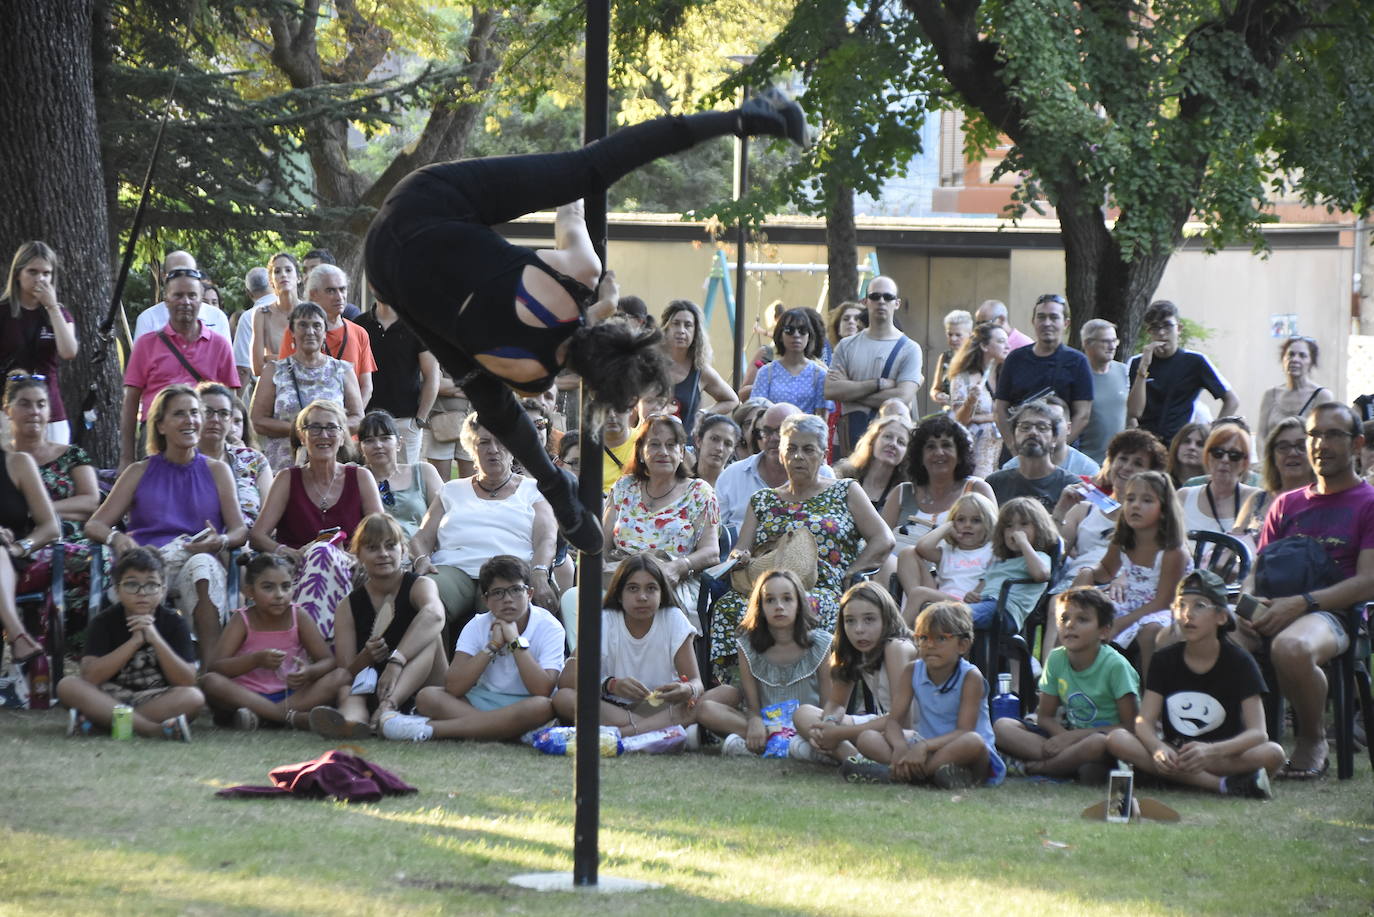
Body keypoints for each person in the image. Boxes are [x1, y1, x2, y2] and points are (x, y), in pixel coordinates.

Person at [364, 96, 807, 558]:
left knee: (590, 169)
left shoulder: (579, 275)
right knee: (480, 382)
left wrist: (590, 164)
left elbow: (574, 205)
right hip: (390, 272)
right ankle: (559, 493)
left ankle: (745, 118)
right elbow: (501, 415)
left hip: (422, 200)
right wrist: (558, 490)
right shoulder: (532, 375)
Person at [710, 413, 894, 677]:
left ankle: (810, 687)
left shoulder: (845, 491)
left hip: (823, 586)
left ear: (823, 454)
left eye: (808, 449)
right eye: (791, 449)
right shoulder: (762, 500)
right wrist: (740, 556)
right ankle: (739, 687)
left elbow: (883, 539)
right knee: (729, 606)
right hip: (767, 587)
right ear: (781, 454)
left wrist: (852, 572)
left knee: (810, 605)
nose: (798, 456)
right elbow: (742, 548)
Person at [1250, 402, 1374, 779]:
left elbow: (1368, 581)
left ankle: (1312, 740)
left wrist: (1301, 604)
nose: (1321, 444)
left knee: (1291, 647)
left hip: (1337, 614)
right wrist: (1247, 604)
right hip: (1275, 605)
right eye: (1314, 435)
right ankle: (1226, 744)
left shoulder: (1368, 503)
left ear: (1357, 444)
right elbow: (1258, 569)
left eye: (1333, 435)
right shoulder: (1286, 503)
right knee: (1200, 633)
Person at [88, 385, 248, 655]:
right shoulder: (139, 471)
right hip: (149, 563)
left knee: (202, 565)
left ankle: (211, 669)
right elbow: (95, 524)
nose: (191, 420)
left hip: (197, 560)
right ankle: (139, 656)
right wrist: (117, 537)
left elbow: (239, 530)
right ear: (160, 425)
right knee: (155, 566)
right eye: (180, 414)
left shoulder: (218, 471)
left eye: (196, 413)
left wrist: (220, 541)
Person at [1105, 570, 1284, 798]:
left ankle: (1168, 777)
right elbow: (1144, 722)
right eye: (1181, 605)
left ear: (1221, 616)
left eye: (1200, 606)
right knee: (1117, 740)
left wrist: (1211, 751)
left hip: (1221, 755)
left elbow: (1258, 734)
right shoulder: (1164, 659)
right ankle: (1222, 785)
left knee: (1273, 753)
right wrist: (1157, 748)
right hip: (1176, 751)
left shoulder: (1241, 663)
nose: (1188, 614)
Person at [376, 555, 564, 742]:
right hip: (483, 701)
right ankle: (513, 731)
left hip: (526, 703)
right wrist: (492, 646)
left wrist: (514, 641)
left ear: (529, 594)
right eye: (498, 593)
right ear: (486, 600)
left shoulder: (549, 626)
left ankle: (430, 729)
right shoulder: (477, 625)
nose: (507, 599)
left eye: (516, 590)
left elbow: (543, 690)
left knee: (543, 706)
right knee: (427, 697)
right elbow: (454, 687)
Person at [249, 400, 385, 641]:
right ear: (302, 436)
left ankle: (312, 647)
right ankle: (328, 647)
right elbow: (258, 535)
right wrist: (286, 551)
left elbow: (382, 531)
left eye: (332, 428)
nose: (324, 435)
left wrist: (358, 557)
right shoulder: (287, 478)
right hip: (296, 570)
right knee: (321, 552)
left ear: (343, 436)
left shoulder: (360, 477)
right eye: (315, 428)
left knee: (323, 552)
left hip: (351, 568)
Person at [411, 414, 558, 630]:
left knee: (502, 607)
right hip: (453, 569)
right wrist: (421, 560)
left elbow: (547, 539)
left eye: (501, 442)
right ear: (472, 448)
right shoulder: (451, 490)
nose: (493, 449)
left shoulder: (533, 490)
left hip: (509, 571)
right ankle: (436, 665)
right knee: (428, 595)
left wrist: (539, 572)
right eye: (484, 442)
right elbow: (421, 537)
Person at [309, 514, 447, 739]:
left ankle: (388, 709)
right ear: (359, 555)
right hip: (372, 687)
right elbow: (345, 671)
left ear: (403, 550)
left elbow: (434, 615)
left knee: (431, 637)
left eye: (390, 546)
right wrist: (366, 656)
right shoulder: (348, 605)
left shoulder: (420, 585)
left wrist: (396, 661)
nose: (383, 554)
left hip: (421, 686)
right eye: (372, 548)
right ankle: (352, 723)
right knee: (347, 689)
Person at [846, 601, 1006, 788]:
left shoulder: (971, 677)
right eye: (923, 638)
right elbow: (893, 721)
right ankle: (934, 775)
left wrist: (924, 746)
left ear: (962, 645)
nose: (930, 645)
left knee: (973, 741)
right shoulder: (912, 671)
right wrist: (900, 746)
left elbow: (964, 731)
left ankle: (896, 774)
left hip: (966, 753)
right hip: (926, 749)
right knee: (868, 738)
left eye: (941, 638)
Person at [993, 588, 1140, 781]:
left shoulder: (1116, 666)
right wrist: (1063, 738)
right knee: (1002, 726)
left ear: (1104, 631)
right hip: (1068, 736)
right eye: (1064, 618)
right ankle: (1066, 765)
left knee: (1096, 746)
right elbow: (1045, 716)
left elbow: (1130, 727)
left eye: (1082, 619)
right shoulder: (1056, 659)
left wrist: (1071, 738)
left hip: (1105, 742)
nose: (1070, 625)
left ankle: (1041, 768)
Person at [55, 547, 201, 741]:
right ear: (117, 590)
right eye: (132, 585)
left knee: (193, 697)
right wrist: (134, 642)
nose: (142, 593)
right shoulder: (103, 621)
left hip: (155, 698)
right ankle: (150, 729)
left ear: (163, 590)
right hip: (109, 697)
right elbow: (90, 676)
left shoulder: (174, 623)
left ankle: (101, 723)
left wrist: (155, 639)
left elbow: (186, 680)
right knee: (68, 686)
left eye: (151, 585)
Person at [551, 553, 704, 737]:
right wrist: (611, 685)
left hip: (660, 707)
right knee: (563, 699)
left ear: (662, 593)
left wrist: (686, 689)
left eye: (651, 589)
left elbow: (697, 684)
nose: (642, 597)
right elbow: (566, 681)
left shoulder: (674, 619)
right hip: (613, 708)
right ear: (619, 594)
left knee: (724, 694)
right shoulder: (603, 620)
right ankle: (662, 729)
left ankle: (622, 733)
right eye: (632, 588)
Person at [200, 553, 346, 730]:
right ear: (249, 592)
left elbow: (328, 660)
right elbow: (216, 667)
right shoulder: (242, 619)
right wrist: (255, 660)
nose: (279, 595)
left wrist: (309, 672)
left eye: (286, 587)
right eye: (268, 588)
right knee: (210, 681)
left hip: (292, 696)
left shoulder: (298, 616)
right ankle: (291, 718)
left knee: (341, 676)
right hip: (248, 695)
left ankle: (263, 718)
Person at [696, 570, 833, 756]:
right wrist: (755, 721)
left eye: (787, 599)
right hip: (767, 725)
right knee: (706, 709)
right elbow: (753, 708)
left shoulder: (821, 644)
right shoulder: (748, 646)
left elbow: (828, 705)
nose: (779, 606)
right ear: (760, 606)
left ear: (799, 604)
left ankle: (757, 746)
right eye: (770, 600)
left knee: (825, 726)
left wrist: (823, 729)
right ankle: (774, 742)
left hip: (808, 726)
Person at [5, 374, 101, 633]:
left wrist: (37, 510)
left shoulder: (71, 454)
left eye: (41, 404)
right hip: (21, 543)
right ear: (8, 410)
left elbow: (91, 502)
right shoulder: (6, 463)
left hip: (71, 540)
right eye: (25, 404)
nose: (34, 411)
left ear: (50, 410)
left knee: (99, 561)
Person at [603, 413, 720, 626]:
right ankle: (591, 659)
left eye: (671, 445)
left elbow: (712, 553)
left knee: (648, 602)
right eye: (654, 444)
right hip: (619, 574)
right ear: (640, 452)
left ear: (682, 452)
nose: (663, 452)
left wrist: (680, 567)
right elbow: (601, 545)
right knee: (575, 598)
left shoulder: (699, 492)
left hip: (672, 578)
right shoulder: (624, 487)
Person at [1072, 471, 1191, 678]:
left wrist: (1121, 622)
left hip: (1168, 609)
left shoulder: (1173, 551)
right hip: (1131, 602)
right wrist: (1087, 573)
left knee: (1149, 631)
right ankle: (1072, 680)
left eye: (1146, 500)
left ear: (1163, 510)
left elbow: (1164, 602)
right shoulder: (1124, 540)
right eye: (1130, 499)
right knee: (1086, 618)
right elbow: (1107, 571)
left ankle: (1149, 694)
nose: (1135, 505)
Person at [119, 268, 240, 470]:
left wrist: (231, 442)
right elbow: (131, 403)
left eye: (192, 295)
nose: (186, 302)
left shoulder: (219, 345)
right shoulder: (146, 345)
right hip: (156, 437)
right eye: (178, 295)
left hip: (205, 436)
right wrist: (126, 458)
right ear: (166, 300)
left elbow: (231, 400)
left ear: (201, 300)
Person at [793, 582, 919, 766]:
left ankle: (854, 759)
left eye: (869, 619)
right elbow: (836, 703)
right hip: (885, 726)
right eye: (850, 620)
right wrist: (828, 724)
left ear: (886, 619)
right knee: (804, 714)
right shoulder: (854, 651)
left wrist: (839, 734)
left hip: (916, 731)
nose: (858, 629)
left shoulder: (896, 648)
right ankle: (855, 759)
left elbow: (902, 720)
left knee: (867, 739)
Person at [250, 302, 363, 471]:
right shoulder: (274, 370)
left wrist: (325, 434)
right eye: (303, 325)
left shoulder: (342, 370)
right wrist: (305, 431)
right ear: (292, 332)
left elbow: (358, 418)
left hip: (333, 464)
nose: (310, 331)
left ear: (325, 333)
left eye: (317, 326)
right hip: (285, 465)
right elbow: (257, 421)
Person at [1058, 429, 1169, 587]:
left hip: (1123, 590)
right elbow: (1055, 557)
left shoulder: (1153, 518)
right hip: (1074, 584)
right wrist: (1061, 510)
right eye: (1122, 459)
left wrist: (1126, 578)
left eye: (1137, 463)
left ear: (1150, 474)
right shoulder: (1084, 509)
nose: (1127, 467)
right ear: (1111, 462)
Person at [825, 276, 922, 456]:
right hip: (851, 441)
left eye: (888, 297)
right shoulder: (846, 346)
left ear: (897, 303)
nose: (881, 302)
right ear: (865, 301)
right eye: (875, 296)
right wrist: (877, 384)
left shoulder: (910, 348)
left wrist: (852, 394)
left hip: (893, 443)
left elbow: (902, 396)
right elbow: (831, 390)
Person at [1127, 300, 1239, 447]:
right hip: (1145, 444)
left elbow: (1231, 400)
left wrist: (1211, 435)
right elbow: (1132, 412)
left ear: (1178, 328)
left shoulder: (1195, 361)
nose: (1161, 333)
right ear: (1149, 332)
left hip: (1180, 446)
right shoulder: (1137, 362)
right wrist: (1144, 367)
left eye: (1167, 326)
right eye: (1155, 327)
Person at [0, 242, 78, 443]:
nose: (40, 279)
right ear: (18, 274)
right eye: (32, 272)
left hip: (49, 411)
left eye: (46, 273)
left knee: (53, 471)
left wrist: (52, 307)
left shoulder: (59, 314)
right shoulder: (4, 312)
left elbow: (69, 351)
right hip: (8, 412)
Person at [714, 402, 835, 530]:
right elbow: (716, 535)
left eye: (781, 431)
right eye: (767, 431)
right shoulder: (733, 475)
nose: (773, 438)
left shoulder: (823, 475)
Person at [992, 293, 1092, 448]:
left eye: (1054, 317)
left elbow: (1083, 415)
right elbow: (1000, 409)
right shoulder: (1014, 359)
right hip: (1020, 450)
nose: (1047, 323)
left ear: (1066, 323)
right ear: (1033, 321)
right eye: (1041, 317)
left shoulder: (1078, 362)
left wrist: (1056, 448)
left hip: (1061, 454)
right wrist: (1014, 447)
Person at [883, 413, 997, 546]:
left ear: (960, 454)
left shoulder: (978, 489)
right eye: (931, 447)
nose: (939, 452)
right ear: (920, 457)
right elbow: (881, 543)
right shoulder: (902, 493)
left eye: (946, 445)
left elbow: (995, 542)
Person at [0, 420, 61, 665]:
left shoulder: (17, 463)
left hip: (11, 556)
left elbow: (50, 526)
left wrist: (20, 546)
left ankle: (19, 638)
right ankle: (19, 637)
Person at [355, 294, 440, 464]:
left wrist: (419, 420)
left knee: (406, 484)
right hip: (366, 421)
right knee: (367, 481)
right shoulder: (359, 323)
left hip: (406, 422)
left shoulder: (417, 326)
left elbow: (432, 376)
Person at [278, 265, 378, 404]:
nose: (339, 296)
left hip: (347, 421)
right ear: (313, 294)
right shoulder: (296, 333)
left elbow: (366, 387)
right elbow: (285, 380)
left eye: (342, 289)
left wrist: (350, 419)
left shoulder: (359, 333)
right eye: (331, 291)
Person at [897, 492, 996, 625]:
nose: (967, 525)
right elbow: (922, 547)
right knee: (907, 553)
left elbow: (992, 576)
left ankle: (901, 633)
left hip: (967, 605)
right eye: (961, 520)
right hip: (940, 598)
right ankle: (921, 609)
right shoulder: (949, 551)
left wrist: (978, 593)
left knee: (919, 593)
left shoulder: (990, 551)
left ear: (988, 523)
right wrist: (947, 526)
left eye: (976, 520)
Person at [963, 497, 1054, 631]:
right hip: (984, 607)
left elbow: (1042, 575)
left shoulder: (1039, 558)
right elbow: (976, 592)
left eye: (1024, 524)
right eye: (1009, 526)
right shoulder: (999, 564)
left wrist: (1024, 543)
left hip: (1005, 611)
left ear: (1039, 528)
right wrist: (971, 596)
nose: (1016, 531)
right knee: (943, 615)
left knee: (953, 617)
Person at [195, 382, 273, 531]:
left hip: (252, 547)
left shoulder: (253, 460)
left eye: (223, 413)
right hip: (197, 544)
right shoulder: (181, 460)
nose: (215, 419)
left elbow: (269, 520)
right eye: (207, 412)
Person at [986, 400, 1081, 516]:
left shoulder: (1071, 486)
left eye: (1042, 428)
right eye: (1025, 427)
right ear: (1013, 436)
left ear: (1054, 439)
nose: (1033, 432)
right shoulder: (994, 483)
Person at [358, 410, 444, 539]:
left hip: (423, 551)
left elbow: (445, 516)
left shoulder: (424, 472)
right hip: (377, 552)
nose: (378, 445)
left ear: (399, 443)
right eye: (369, 440)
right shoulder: (356, 477)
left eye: (385, 438)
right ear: (361, 448)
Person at [659, 299, 739, 437]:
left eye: (688, 325)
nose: (681, 330)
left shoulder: (700, 371)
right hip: (650, 444)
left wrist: (703, 413)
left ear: (696, 332)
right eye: (676, 324)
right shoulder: (650, 364)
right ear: (666, 328)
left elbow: (732, 400)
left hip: (685, 450)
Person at [1176, 422, 1262, 548]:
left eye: (1234, 455)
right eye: (1218, 452)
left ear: (1244, 462)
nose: (1225, 459)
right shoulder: (1183, 496)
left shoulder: (1256, 499)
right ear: (1207, 456)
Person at [1234, 417, 1314, 544]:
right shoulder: (1257, 500)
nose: (1292, 453)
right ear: (1272, 456)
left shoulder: (1324, 500)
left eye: (1301, 446)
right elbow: (1232, 547)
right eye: (1283, 447)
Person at [946, 321, 1007, 477]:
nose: (1007, 346)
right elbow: (959, 420)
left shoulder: (1006, 377)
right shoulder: (964, 379)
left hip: (1002, 456)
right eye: (1000, 341)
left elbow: (1011, 415)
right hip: (974, 459)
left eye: (1007, 341)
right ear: (985, 346)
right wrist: (971, 401)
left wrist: (981, 417)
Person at [747, 307, 830, 419]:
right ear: (780, 335)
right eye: (789, 330)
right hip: (772, 434)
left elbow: (822, 419)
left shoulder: (820, 374)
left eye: (802, 330)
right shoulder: (766, 372)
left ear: (809, 335)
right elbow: (756, 412)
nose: (796, 335)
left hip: (806, 434)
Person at [131, 252, 233, 343]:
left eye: (190, 273)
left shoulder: (217, 317)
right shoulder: (148, 319)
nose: (183, 279)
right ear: (163, 277)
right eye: (176, 274)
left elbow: (225, 361)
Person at [1257, 336, 1333, 449]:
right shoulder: (1270, 395)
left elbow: (1323, 437)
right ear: (1283, 359)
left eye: (1302, 355)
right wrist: (1264, 464)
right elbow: (1261, 436)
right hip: (1273, 462)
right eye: (1290, 354)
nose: (1295, 359)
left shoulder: (1321, 396)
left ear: (1311, 362)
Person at [999, 395, 1101, 477]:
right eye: (1026, 426)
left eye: (1043, 426)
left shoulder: (1087, 470)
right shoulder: (1011, 468)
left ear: (1068, 428)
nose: (1034, 432)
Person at [833, 415, 911, 514]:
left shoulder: (905, 493)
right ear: (873, 440)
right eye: (888, 436)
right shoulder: (843, 476)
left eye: (901, 442)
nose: (893, 444)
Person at [1076, 319, 1129, 464]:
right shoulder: (1077, 375)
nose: (1112, 346)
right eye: (1105, 341)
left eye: (1114, 341)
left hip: (1119, 464)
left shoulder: (1124, 371)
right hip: (1086, 463)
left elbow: (1131, 417)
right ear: (1087, 344)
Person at [250, 252, 302, 378]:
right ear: (271, 281)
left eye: (288, 270)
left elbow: (317, 360)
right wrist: (298, 358)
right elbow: (257, 368)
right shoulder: (262, 314)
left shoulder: (311, 312)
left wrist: (271, 358)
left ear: (299, 277)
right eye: (277, 271)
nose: (283, 274)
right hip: (274, 386)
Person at [929, 309, 972, 409]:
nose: (953, 339)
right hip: (949, 413)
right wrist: (938, 396)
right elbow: (935, 389)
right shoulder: (945, 357)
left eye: (958, 335)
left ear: (969, 334)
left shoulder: (977, 357)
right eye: (950, 334)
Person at [691, 413, 739, 490]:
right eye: (714, 439)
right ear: (699, 441)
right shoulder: (680, 483)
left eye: (728, 444)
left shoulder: (736, 488)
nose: (720, 448)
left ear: (733, 451)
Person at [1166, 421, 1209, 489]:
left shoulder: (1210, 489)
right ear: (1177, 445)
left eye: (1200, 444)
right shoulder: (1160, 480)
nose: (1192, 447)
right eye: (1186, 441)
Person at [730, 398, 770, 464]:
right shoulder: (729, 451)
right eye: (749, 423)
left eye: (761, 422)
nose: (753, 428)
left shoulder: (774, 451)